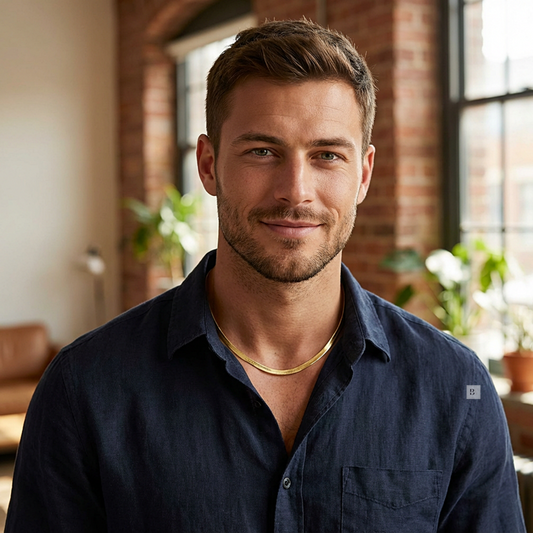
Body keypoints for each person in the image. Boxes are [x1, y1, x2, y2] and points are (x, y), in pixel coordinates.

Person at [6, 18, 525, 533]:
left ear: (362, 175)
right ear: (208, 166)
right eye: (262, 151)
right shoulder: (85, 389)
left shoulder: (457, 388)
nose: (295, 191)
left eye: (327, 155)